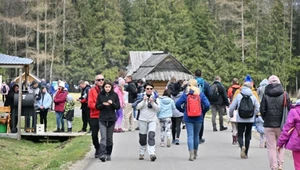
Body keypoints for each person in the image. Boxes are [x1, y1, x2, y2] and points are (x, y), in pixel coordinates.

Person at [260, 75, 291, 170]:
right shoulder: (285, 94)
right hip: (281, 125)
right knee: (280, 146)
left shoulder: (265, 94)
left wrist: (265, 118)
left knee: (271, 148)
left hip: (268, 125)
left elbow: (262, 110)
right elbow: (289, 109)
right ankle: (280, 165)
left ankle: (273, 167)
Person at [176, 79, 210, 161]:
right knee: (196, 136)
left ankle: (190, 153)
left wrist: (183, 111)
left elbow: (177, 104)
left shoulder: (186, 94)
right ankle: (195, 152)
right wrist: (202, 111)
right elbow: (207, 105)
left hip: (188, 117)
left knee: (190, 135)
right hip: (198, 117)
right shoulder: (200, 94)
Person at [229, 80, 260, 159]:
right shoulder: (252, 96)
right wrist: (254, 114)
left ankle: (242, 146)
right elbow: (258, 108)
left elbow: (232, 107)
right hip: (250, 118)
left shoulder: (239, 95)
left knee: (240, 134)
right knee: (247, 135)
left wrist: (231, 114)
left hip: (241, 118)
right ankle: (246, 153)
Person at [96, 81, 120, 162]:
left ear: (111, 87)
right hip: (102, 118)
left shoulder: (114, 95)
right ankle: (102, 154)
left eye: (109, 87)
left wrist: (112, 103)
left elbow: (117, 106)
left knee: (109, 138)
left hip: (111, 119)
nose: (107, 88)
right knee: (103, 137)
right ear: (104, 87)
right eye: (106, 87)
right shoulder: (100, 95)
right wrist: (103, 104)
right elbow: (97, 107)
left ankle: (108, 153)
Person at [136, 81, 160, 161]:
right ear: (145, 89)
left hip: (152, 119)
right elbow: (137, 107)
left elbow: (158, 109)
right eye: (147, 88)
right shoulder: (141, 96)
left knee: (151, 136)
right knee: (142, 138)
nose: (149, 90)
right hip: (142, 119)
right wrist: (143, 100)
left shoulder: (156, 97)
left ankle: (152, 153)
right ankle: (142, 152)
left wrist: (152, 102)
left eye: (151, 88)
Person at [277, 90, 300, 170]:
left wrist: (280, 143)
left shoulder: (294, 111)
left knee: (298, 165)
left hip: (298, 143)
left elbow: (287, 129)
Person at [88, 74, 104, 158]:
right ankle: (97, 147)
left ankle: (102, 150)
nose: (101, 81)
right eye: (99, 80)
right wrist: (100, 106)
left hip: (104, 116)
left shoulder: (106, 89)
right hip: (94, 115)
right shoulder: (92, 90)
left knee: (104, 135)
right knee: (94, 135)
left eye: (102, 79)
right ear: (95, 81)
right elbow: (90, 103)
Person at [194, 69, 212, 144]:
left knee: (192, 120)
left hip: (192, 103)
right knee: (201, 120)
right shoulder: (205, 83)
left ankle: (193, 137)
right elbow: (210, 94)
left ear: (194, 74)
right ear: (201, 74)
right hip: (202, 104)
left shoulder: (191, 83)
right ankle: (199, 137)